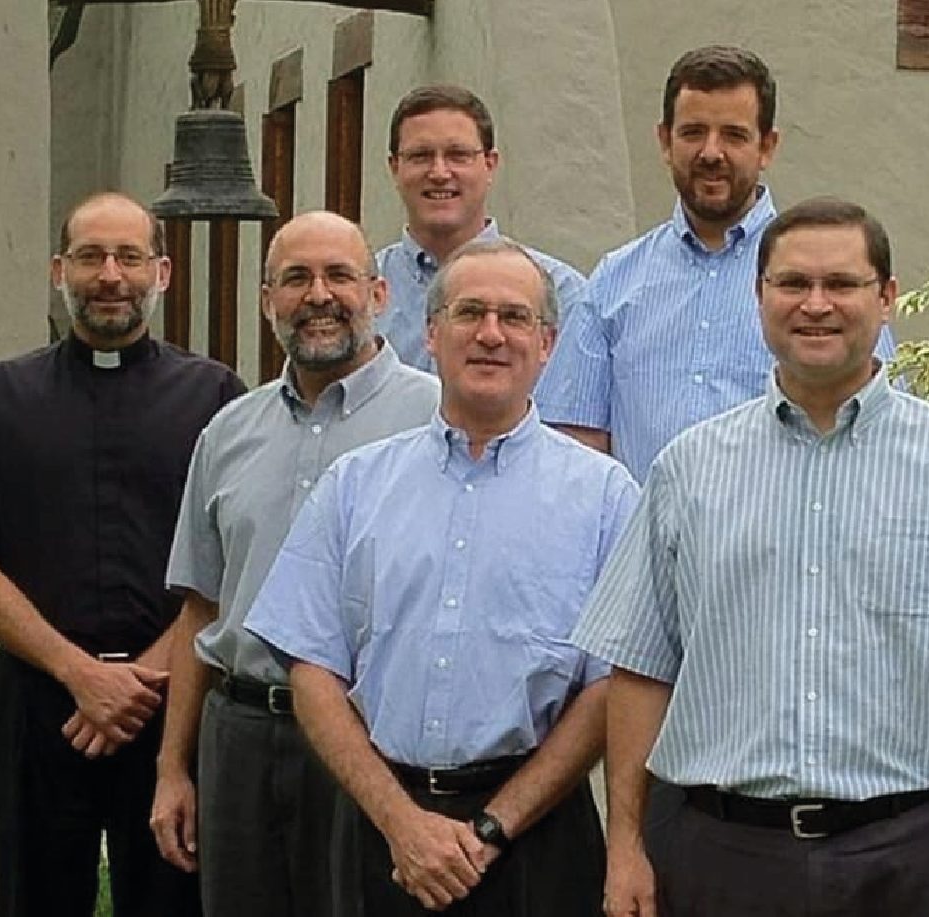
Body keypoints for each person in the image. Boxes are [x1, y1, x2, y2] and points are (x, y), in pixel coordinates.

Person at [574, 197, 929, 917]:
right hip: (718, 856)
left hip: (907, 858)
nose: (815, 304)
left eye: (841, 284)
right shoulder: (687, 468)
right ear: (758, 298)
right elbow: (638, 668)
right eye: (791, 284)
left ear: (885, 298)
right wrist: (625, 844)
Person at [245, 239, 638, 915]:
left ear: (546, 343)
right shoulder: (355, 486)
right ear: (431, 333)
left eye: (514, 318)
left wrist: (492, 827)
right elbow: (311, 668)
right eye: (469, 312)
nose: (490, 334)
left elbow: (609, 689)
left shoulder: (606, 498)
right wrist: (401, 822)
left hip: (537, 839)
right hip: (380, 834)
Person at [0, 192, 245, 917]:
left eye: (129, 257)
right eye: (91, 256)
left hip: (175, 705)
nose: (110, 275)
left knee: (175, 900)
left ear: (161, 272)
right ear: (58, 269)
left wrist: (139, 681)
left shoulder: (216, 398)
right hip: (36, 704)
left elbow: (235, 558)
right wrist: (79, 673)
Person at [148, 211, 439, 916]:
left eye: (338, 275)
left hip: (370, 739)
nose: (318, 294)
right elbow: (201, 608)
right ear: (265, 298)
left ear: (378, 293)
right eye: (295, 278)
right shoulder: (229, 432)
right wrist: (172, 766)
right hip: (241, 739)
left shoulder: (436, 420)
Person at [536, 45, 897, 483]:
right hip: (648, 543)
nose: (711, 152)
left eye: (733, 134)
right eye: (692, 133)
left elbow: (879, 430)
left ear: (767, 147)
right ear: (665, 142)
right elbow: (576, 446)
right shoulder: (614, 282)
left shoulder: (823, 289)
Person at [375, 84, 587, 373]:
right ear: (394, 168)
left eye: (458, 155)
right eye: (421, 156)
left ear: (490, 164)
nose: (439, 173)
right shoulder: (361, 292)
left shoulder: (561, 293)